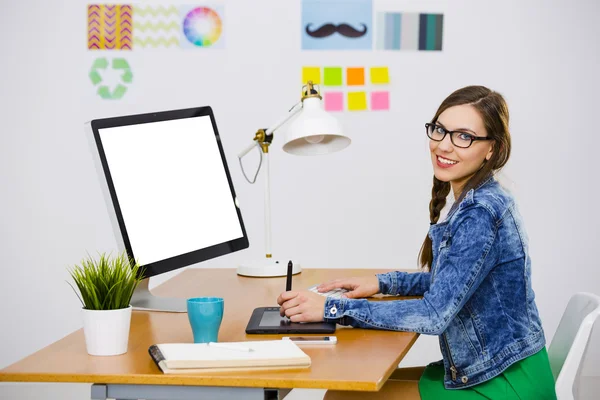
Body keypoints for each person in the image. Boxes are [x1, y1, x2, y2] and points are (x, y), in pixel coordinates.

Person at [277, 86, 557, 399]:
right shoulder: (479, 198)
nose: (444, 145)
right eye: (439, 130)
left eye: (463, 136)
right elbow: (453, 283)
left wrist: (331, 308)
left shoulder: (481, 212)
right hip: (493, 367)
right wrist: (381, 283)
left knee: (341, 396)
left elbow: (435, 314)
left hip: (504, 382)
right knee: (348, 389)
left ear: (491, 148)